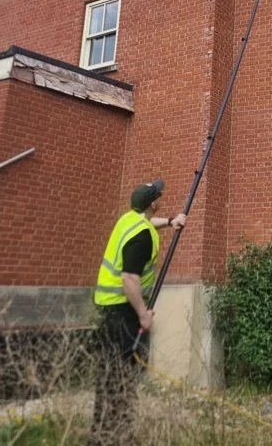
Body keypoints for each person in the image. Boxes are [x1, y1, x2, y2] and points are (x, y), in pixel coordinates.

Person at [91, 179, 186, 444]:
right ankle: (115, 434)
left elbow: (147, 222)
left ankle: (104, 432)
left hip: (109, 308)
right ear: (153, 203)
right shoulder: (141, 237)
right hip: (123, 312)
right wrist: (143, 313)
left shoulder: (130, 220)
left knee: (110, 371)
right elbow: (129, 279)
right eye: (159, 195)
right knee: (121, 373)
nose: (161, 196)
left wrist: (170, 221)